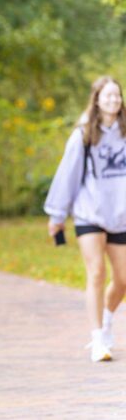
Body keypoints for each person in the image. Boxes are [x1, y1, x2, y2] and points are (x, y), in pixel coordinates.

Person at [44, 75, 126, 363]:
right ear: (97, 99)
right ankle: (97, 339)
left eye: (117, 95)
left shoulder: (125, 132)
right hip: (89, 213)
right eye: (108, 96)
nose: (113, 100)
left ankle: (106, 320)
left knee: (123, 278)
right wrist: (57, 215)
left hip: (120, 215)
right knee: (96, 273)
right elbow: (67, 175)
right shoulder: (83, 134)